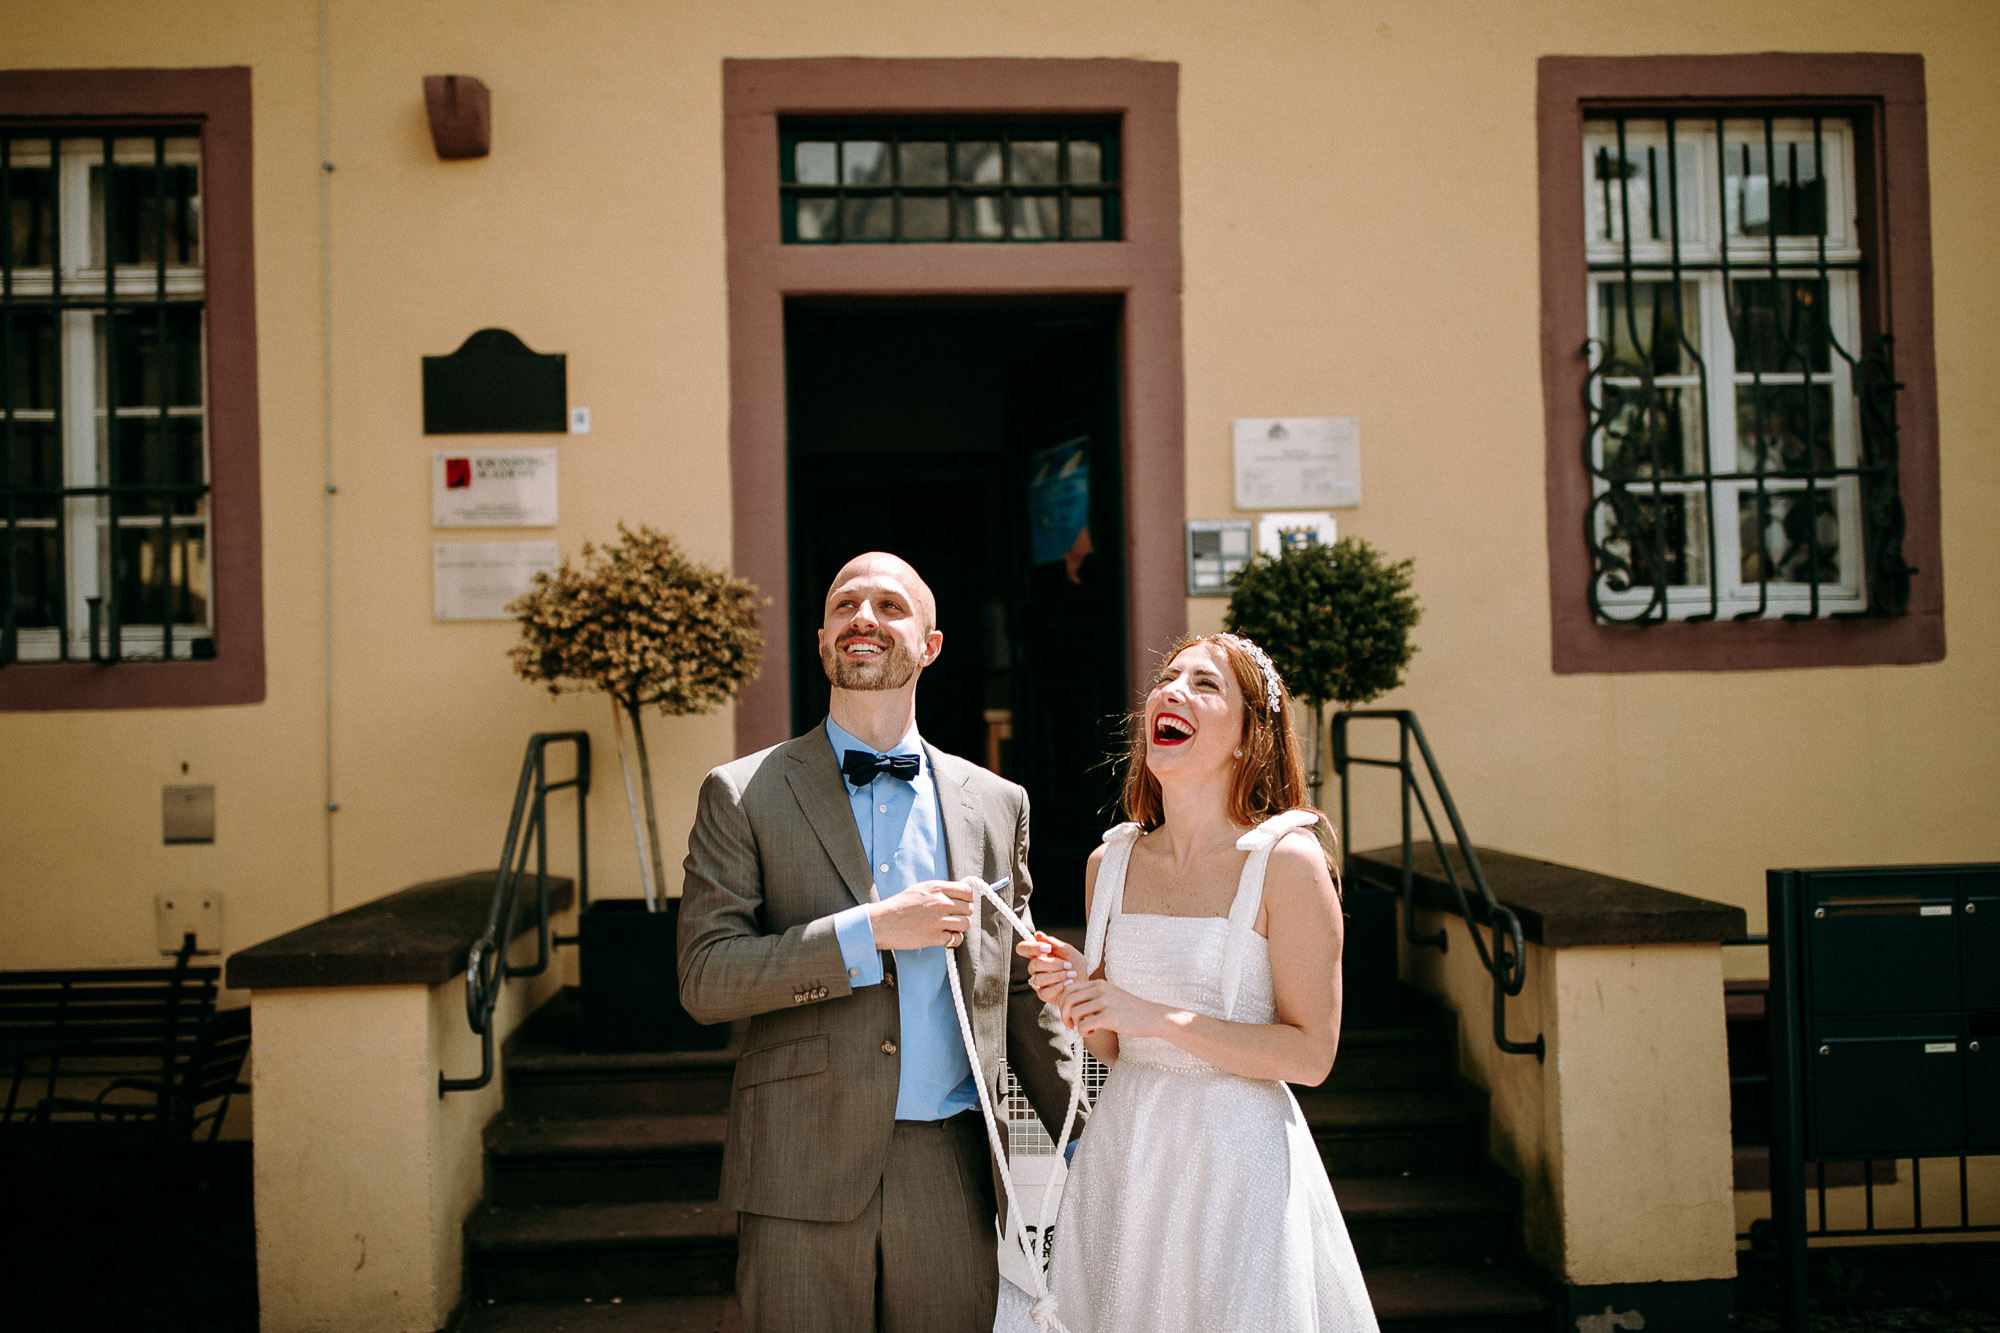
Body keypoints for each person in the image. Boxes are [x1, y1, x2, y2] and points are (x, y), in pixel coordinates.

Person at [677, 551, 1081, 1333]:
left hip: (953, 1170)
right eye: (845, 604)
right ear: (824, 638)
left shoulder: (998, 803)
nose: (864, 617)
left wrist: (1092, 1143)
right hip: (798, 1167)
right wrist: (869, 935)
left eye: (890, 606)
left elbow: (1019, 988)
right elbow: (705, 975)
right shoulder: (741, 791)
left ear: (930, 644)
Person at [1008, 632, 1380, 1333]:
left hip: (1237, 1163)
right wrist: (1077, 996)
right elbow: (1116, 1046)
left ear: (1249, 736)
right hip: (1130, 1152)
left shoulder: (1288, 862)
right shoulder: (1108, 863)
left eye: (1205, 685)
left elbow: (1311, 1055)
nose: (1172, 690)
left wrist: (1154, 1014)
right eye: (1169, 677)